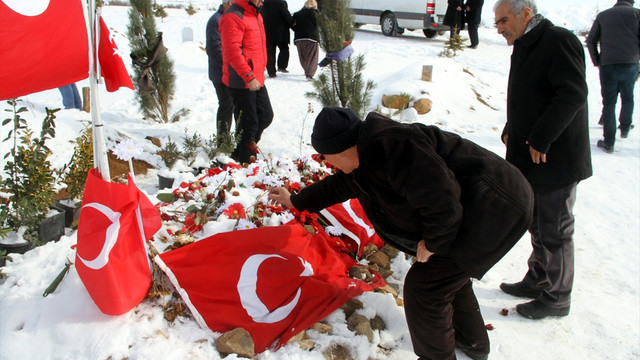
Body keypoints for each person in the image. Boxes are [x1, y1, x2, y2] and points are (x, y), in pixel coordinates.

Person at [268, 107, 534, 360]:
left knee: (426, 287)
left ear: (339, 149)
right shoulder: (365, 156)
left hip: (497, 204)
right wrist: (297, 201)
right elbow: (340, 185)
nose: (325, 161)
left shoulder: (394, 148)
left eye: (325, 155)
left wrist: (434, 241)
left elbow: (441, 195)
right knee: (448, 276)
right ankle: (472, 342)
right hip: (483, 204)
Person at [493, 0, 592, 320]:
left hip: (555, 157)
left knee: (555, 229)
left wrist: (540, 136)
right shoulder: (526, 43)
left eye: (504, 20)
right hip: (533, 154)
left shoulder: (559, 40)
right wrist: (515, 126)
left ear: (526, 14)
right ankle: (538, 279)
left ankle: (557, 297)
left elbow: (572, 94)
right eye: (496, 23)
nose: (500, 29)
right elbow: (533, 94)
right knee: (537, 223)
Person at [220, 0, 274, 164]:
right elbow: (232, 52)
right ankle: (246, 160)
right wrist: (248, 76)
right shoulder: (233, 16)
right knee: (248, 123)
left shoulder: (255, 14)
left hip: (256, 77)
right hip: (241, 80)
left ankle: (243, 149)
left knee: (265, 115)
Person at [586, 0, 640, 154]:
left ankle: (609, 142)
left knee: (609, 103)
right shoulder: (637, 14)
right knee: (628, 96)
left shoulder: (603, 15)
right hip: (631, 63)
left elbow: (591, 40)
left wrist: (597, 61)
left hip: (608, 64)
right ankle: (624, 127)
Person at [206, 0, 235, 148]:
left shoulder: (229, 17)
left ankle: (230, 139)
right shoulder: (216, 20)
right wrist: (231, 64)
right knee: (226, 105)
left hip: (230, 72)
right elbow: (213, 49)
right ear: (228, 3)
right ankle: (223, 142)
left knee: (232, 105)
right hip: (221, 73)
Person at [261, 0, 293, 77]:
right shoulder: (282, 3)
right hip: (280, 32)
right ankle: (282, 66)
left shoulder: (263, 3)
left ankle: (271, 72)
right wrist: (292, 23)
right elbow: (286, 16)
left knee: (270, 52)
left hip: (267, 31)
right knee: (284, 49)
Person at [292, 0, 319, 79]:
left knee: (302, 56)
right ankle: (309, 74)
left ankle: (306, 70)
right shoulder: (315, 14)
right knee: (312, 56)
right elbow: (318, 25)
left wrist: (296, 29)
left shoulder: (297, 14)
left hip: (299, 38)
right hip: (311, 38)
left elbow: (291, 23)